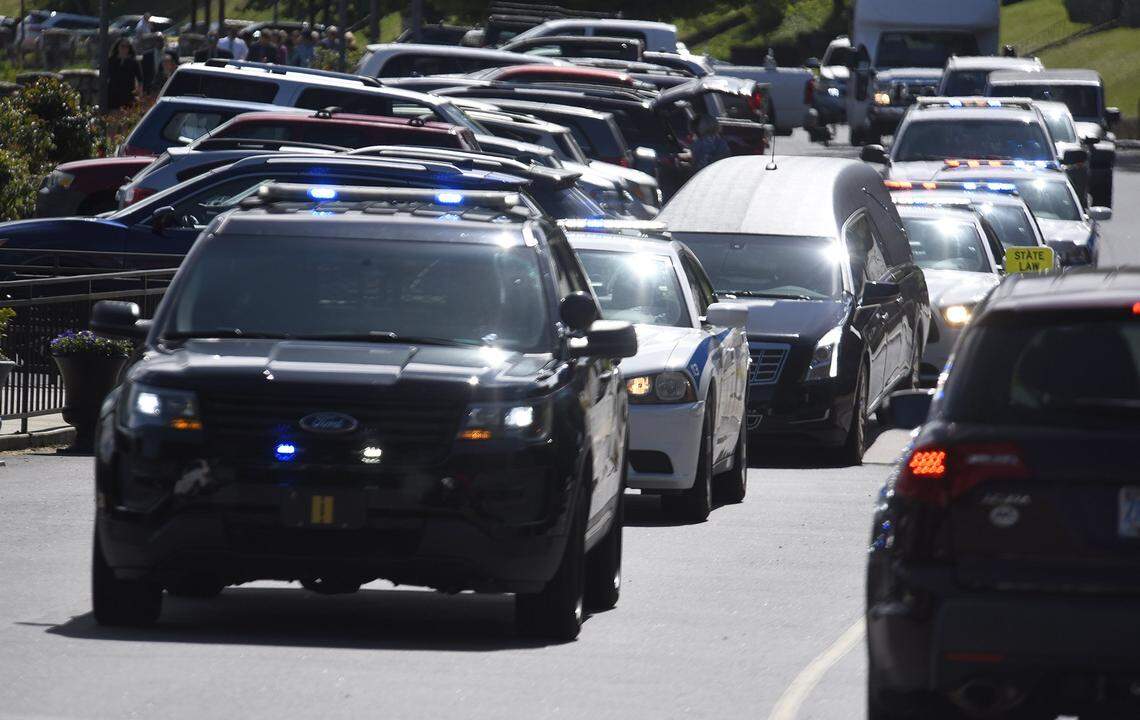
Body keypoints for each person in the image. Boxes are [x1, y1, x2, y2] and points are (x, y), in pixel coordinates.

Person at [106, 38, 143, 111]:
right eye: (122, 46)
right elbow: (106, 75)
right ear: (118, 47)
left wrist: (139, 91)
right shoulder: (111, 60)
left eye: (127, 47)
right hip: (113, 92)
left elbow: (140, 78)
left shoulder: (133, 62)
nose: (125, 49)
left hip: (128, 92)